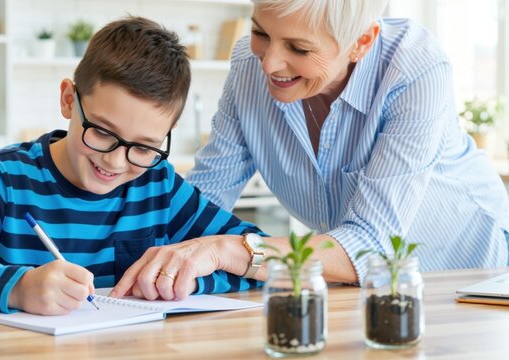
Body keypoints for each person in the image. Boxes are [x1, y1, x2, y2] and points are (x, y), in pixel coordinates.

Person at [111, 0, 509, 297]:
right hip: (361, 284)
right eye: (261, 33)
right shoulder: (249, 68)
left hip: (469, 274)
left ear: (361, 42)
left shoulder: (413, 67)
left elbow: (371, 244)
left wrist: (230, 250)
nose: (270, 64)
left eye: (299, 49)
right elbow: (204, 198)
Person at [0, 16, 265, 316]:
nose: (113, 161)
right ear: (69, 100)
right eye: (100, 131)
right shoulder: (5, 178)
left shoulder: (159, 186)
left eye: (143, 146)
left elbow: (255, 257)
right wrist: (17, 289)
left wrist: (184, 276)